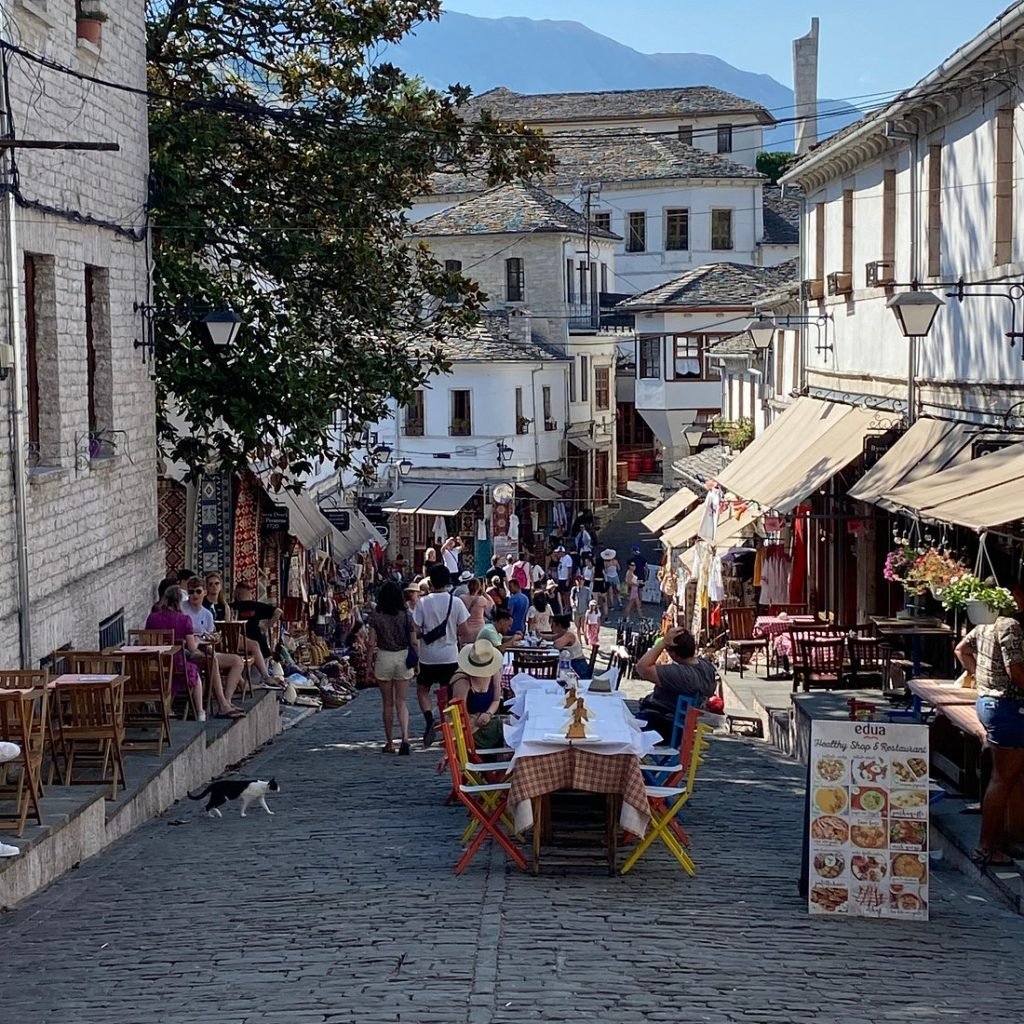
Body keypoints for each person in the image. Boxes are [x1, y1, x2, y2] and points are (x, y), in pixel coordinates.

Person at [955, 604, 1024, 867]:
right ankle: (986, 847)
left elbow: (961, 649)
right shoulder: (1010, 626)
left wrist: (979, 678)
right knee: (1004, 778)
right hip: (1008, 707)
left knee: (1010, 777)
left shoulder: (983, 624)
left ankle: (1006, 839)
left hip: (990, 703)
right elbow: (1015, 672)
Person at [146, 586, 232, 721]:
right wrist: (197, 641)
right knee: (196, 673)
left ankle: (166, 706)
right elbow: (192, 647)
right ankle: (200, 711)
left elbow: (146, 641)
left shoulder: (152, 618)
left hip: (156, 663)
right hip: (177, 664)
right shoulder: (184, 619)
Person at [412, 565, 469, 748]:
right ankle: (447, 727)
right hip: (450, 656)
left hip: (428, 657)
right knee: (450, 692)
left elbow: (415, 629)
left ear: (430, 581)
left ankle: (429, 718)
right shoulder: (456, 602)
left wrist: (426, 633)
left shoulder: (422, 602)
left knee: (422, 690)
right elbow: (464, 631)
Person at [635, 628, 718, 742]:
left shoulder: (681, 674)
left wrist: (663, 642)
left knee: (616, 728)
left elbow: (642, 668)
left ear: (673, 653)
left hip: (661, 726)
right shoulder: (707, 668)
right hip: (680, 727)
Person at [367, 580, 416, 755]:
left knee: (387, 704)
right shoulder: (406, 614)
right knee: (402, 702)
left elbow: (371, 643)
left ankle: (390, 742)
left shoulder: (376, 615)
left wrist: (368, 666)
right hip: (403, 657)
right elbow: (414, 641)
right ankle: (405, 737)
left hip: (384, 657)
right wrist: (417, 661)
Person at [183, 577, 245, 706]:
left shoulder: (207, 614)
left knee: (237, 661)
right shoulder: (182, 609)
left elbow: (210, 636)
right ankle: (222, 703)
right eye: (191, 592)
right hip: (188, 650)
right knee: (213, 659)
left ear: (204, 592)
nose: (194, 595)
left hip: (205, 647)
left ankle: (227, 699)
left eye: (198, 591)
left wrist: (211, 639)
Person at [450, 638, 505, 749]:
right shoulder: (462, 681)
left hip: (487, 722)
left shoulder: (494, 673)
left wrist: (488, 714)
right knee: (504, 726)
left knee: (515, 723)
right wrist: (477, 720)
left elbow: (496, 699)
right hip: (471, 732)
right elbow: (458, 716)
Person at [231, 583, 283, 666]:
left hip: (237, 649)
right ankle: (265, 677)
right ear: (250, 594)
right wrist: (267, 625)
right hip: (260, 648)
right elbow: (278, 612)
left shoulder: (230, 607)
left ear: (236, 594)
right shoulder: (256, 606)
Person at [550, 613, 590, 678]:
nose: (551, 627)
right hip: (573, 663)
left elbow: (557, 645)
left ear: (559, 625)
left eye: (553, 625)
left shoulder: (569, 635)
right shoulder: (565, 632)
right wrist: (540, 635)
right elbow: (551, 637)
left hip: (578, 666)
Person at [459, 577, 493, 645]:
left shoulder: (462, 598)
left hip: (466, 629)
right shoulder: (481, 599)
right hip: (479, 630)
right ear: (478, 587)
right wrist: (483, 592)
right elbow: (491, 603)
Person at [556, 545, 574, 613]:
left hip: (565, 578)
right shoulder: (561, 559)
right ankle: (565, 605)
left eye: (559, 552)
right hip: (561, 578)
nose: (558, 554)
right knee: (562, 593)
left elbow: (569, 569)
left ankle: (568, 606)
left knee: (566, 593)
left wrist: (568, 580)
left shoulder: (568, 558)